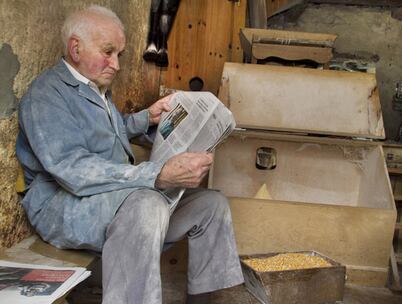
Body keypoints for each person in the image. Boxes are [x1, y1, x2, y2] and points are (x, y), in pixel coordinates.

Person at [15, 5, 244, 304]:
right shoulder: (46, 96)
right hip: (63, 205)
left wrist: (145, 118)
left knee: (211, 204)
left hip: (110, 197)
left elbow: (109, 131)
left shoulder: (95, 87)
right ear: (75, 48)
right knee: (147, 203)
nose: (116, 64)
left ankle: (204, 300)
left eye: (118, 55)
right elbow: (72, 169)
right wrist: (157, 174)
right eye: (108, 52)